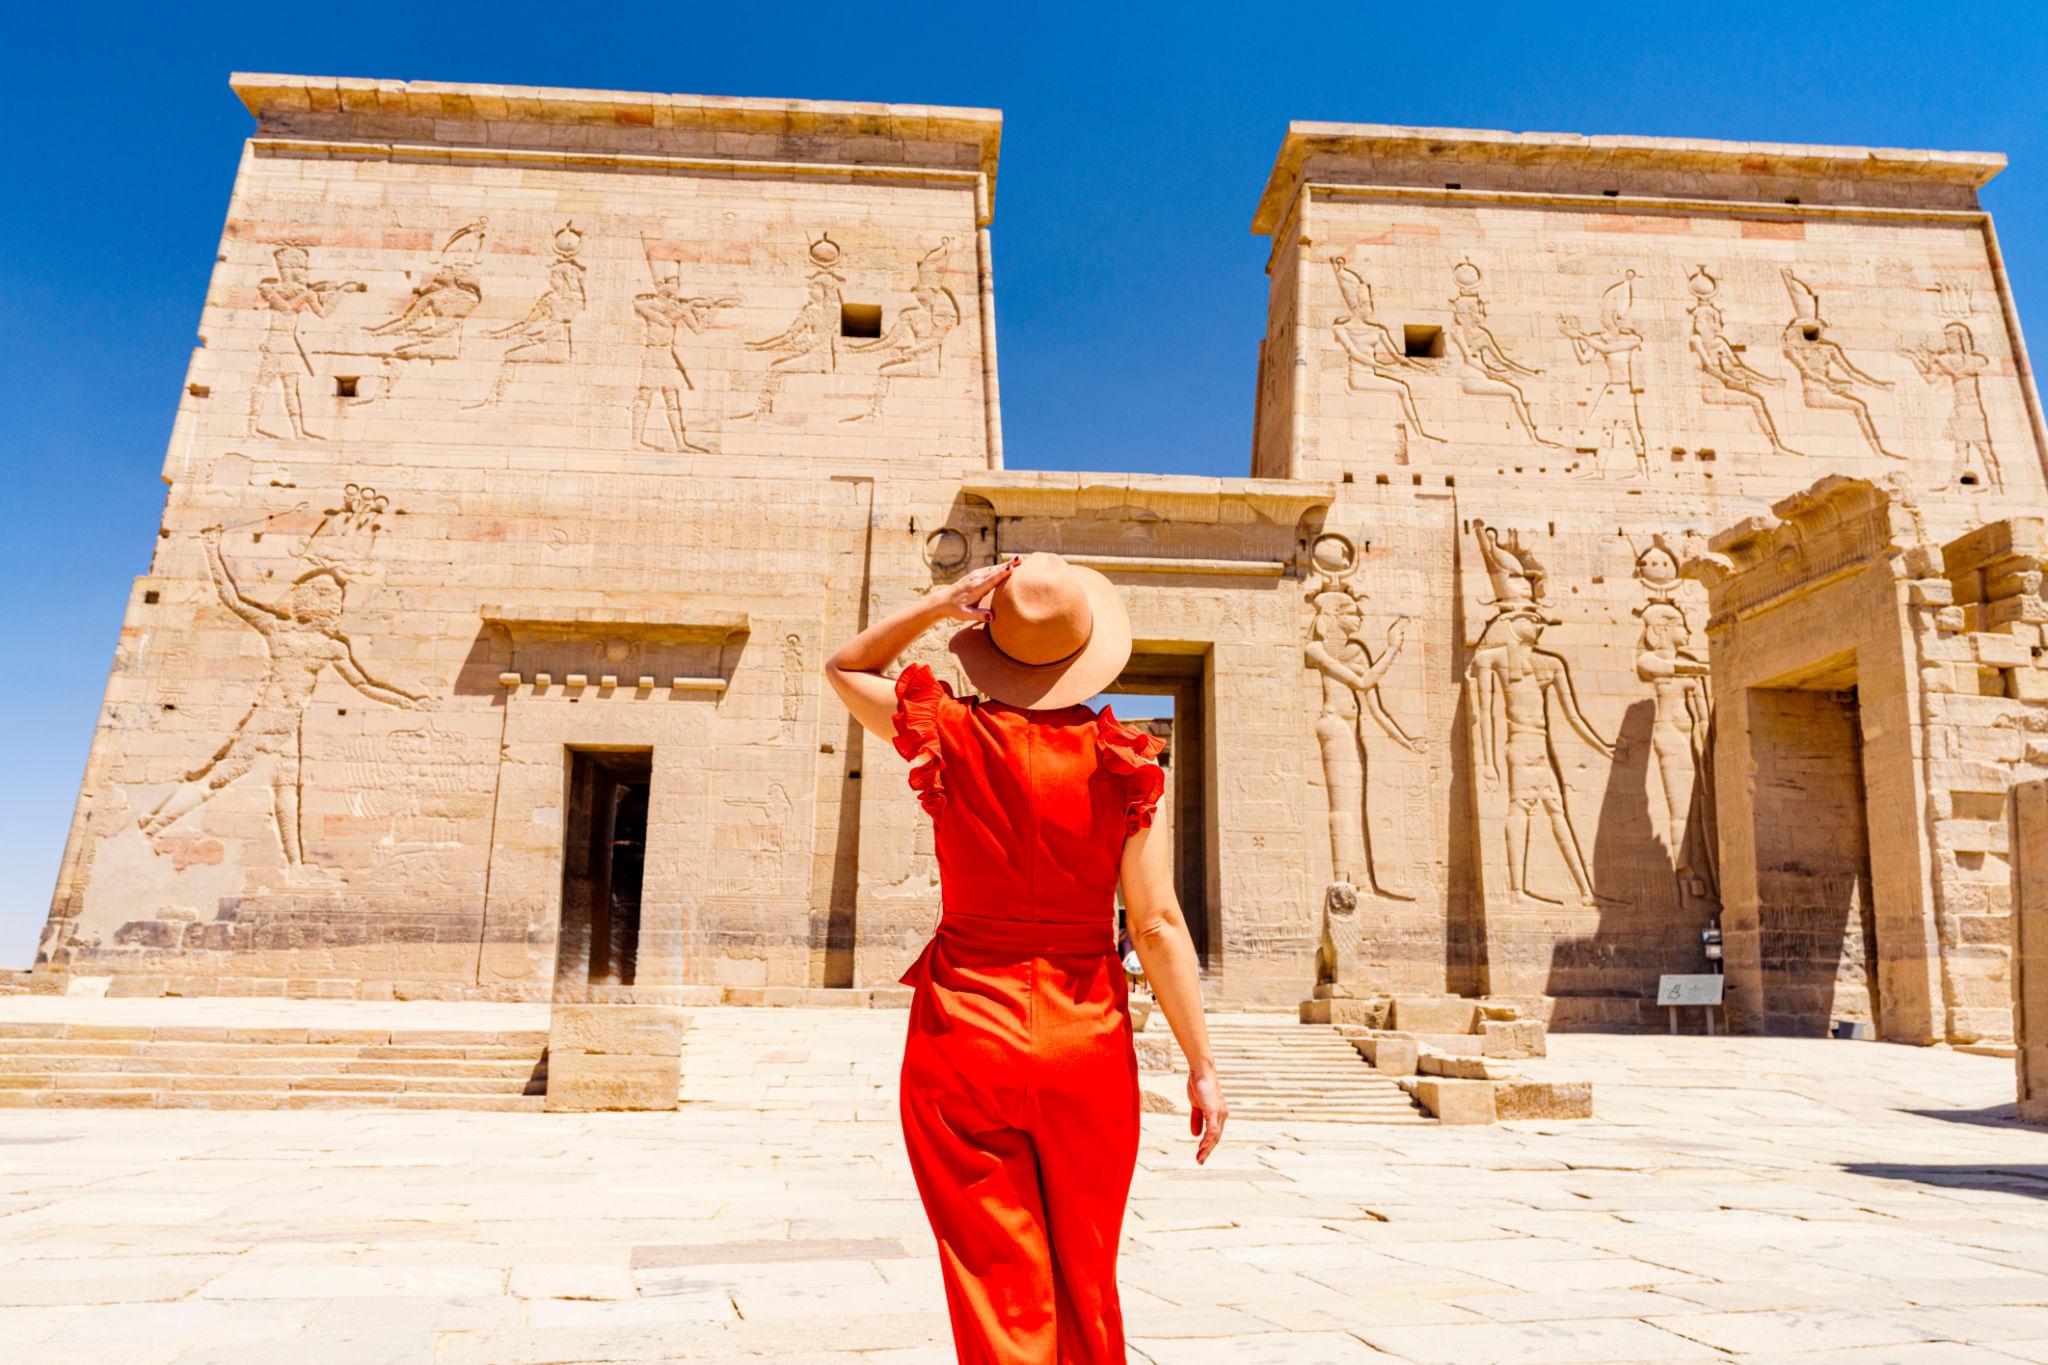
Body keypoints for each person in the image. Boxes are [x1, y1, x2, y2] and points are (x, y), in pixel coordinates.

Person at [825, 550, 1225, 1363]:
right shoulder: (1127, 765)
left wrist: (939, 603)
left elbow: (844, 667)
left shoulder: (948, 730)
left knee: (997, 1280)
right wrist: (1201, 1062)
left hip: (964, 1029)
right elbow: (1156, 925)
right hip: (1086, 1035)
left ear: (990, 642)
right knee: (1086, 1273)